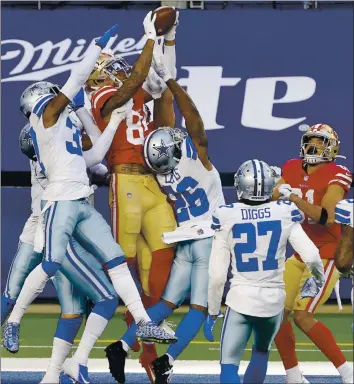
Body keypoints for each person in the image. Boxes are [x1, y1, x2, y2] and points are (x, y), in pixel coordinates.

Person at [3, 20, 176, 384]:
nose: (59, 97)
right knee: (48, 264)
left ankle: (144, 322)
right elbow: (75, 80)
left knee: (114, 259)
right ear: (40, 105)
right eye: (52, 96)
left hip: (81, 198)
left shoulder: (65, 124)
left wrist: (113, 123)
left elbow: (97, 153)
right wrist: (96, 50)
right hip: (59, 201)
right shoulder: (46, 118)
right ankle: (14, 321)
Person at [105, 41, 225, 384]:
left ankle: (122, 344)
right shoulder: (196, 155)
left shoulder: (158, 172)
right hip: (206, 238)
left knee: (167, 304)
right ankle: (167, 360)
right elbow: (194, 118)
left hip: (183, 237)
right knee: (198, 310)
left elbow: (168, 125)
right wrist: (171, 82)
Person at [205, 159, 325, 384]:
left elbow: (217, 275)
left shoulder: (227, 214)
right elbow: (312, 256)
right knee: (260, 352)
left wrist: (212, 310)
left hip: (241, 299)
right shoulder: (285, 211)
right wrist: (318, 280)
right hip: (273, 303)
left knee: (229, 366)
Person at [273, 124, 353, 383]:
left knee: (302, 316)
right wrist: (275, 190)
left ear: (331, 147)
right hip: (299, 252)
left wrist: (294, 199)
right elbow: (274, 196)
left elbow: (326, 218)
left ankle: (347, 372)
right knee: (275, 313)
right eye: (310, 141)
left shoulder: (337, 173)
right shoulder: (292, 166)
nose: (313, 147)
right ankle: (293, 375)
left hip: (326, 254)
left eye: (319, 142)